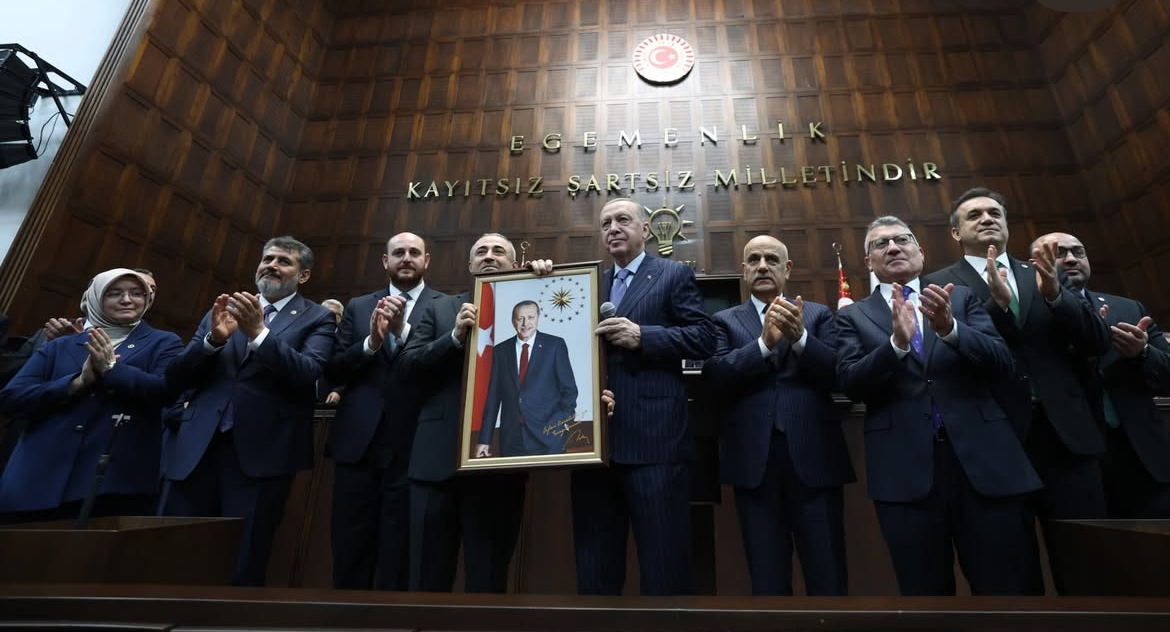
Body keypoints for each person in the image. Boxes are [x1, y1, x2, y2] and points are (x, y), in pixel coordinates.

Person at [836, 216, 1043, 596]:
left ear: (920, 251)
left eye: (902, 240)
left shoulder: (960, 298)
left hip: (984, 463)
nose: (893, 247)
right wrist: (896, 346)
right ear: (869, 262)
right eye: (881, 244)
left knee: (1007, 589)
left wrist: (951, 330)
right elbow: (850, 383)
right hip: (905, 471)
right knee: (925, 594)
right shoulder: (852, 315)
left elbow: (1002, 361)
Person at [922, 187, 1111, 592]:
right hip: (996, 436)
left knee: (1089, 561)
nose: (987, 219)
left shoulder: (1043, 272)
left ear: (1007, 224)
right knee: (1012, 567)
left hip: (1067, 436)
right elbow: (950, 354)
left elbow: (1096, 342)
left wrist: (1056, 296)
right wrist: (998, 305)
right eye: (974, 215)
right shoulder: (938, 284)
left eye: (995, 213)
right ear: (955, 233)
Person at [160, 236, 335, 586]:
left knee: (244, 557)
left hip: (262, 454)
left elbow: (308, 373)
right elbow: (175, 378)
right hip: (198, 448)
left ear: (303, 275)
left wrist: (258, 333)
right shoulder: (224, 309)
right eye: (267, 258)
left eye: (284, 261)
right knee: (175, 552)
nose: (272, 265)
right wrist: (212, 342)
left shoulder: (318, 317)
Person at [571, 198, 717, 596]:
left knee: (664, 565)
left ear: (645, 230)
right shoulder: (587, 283)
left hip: (655, 441)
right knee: (595, 570)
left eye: (623, 220)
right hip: (592, 444)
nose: (613, 228)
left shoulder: (672, 274)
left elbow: (705, 337)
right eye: (605, 223)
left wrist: (644, 337)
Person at [398, 233, 554, 593]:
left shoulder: (533, 307)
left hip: (499, 467)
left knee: (488, 580)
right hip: (436, 463)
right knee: (426, 580)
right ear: (470, 265)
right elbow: (407, 368)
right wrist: (453, 337)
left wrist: (546, 280)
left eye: (499, 251)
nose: (489, 256)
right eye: (481, 251)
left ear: (513, 263)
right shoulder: (440, 309)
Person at [702, 235, 855, 596]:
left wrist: (800, 338)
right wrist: (763, 345)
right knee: (767, 575)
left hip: (815, 457)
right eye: (754, 260)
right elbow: (715, 377)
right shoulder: (723, 321)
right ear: (744, 271)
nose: (762, 266)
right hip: (753, 462)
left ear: (788, 269)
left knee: (828, 571)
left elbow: (838, 374)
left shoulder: (817, 314)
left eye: (771, 260)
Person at [0, 269, 182, 522]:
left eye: (137, 293)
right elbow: (10, 399)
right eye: (114, 293)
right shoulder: (59, 344)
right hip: (37, 478)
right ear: (95, 298)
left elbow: (166, 391)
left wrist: (112, 369)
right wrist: (76, 383)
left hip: (114, 484)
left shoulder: (164, 343)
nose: (127, 300)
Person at [324, 231, 446, 590]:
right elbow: (334, 370)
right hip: (358, 443)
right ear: (385, 261)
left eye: (414, 252)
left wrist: (402, 332)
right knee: (349, 544)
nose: (406, 258)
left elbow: (443, 369)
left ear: (426, 261)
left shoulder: (444, 306)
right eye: (398, 253)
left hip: (414, 443)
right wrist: (370, 344)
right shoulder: (359, 306)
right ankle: (346, 615)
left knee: (400, 547)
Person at [1039, 232, 1170, 518]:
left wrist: (1143, 352)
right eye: (1059, 253)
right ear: (1037, 263)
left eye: (1078, 252)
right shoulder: (1030, 315)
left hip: (1144, 455)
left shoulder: (1128, 308)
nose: (1071, 259)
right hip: (1073, 461)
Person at [476, 300, 577, 458]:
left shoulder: (555, 345)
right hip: (511, 438)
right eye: (520, 318)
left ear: (538, 318)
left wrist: (559, 424)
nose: (525, 324)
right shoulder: (500, 351)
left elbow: (569, 390)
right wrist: (484, 440)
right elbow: (493, 399)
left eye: (530, 317)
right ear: (513, 321)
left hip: (548, 437)